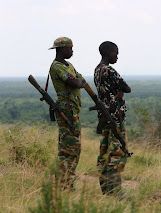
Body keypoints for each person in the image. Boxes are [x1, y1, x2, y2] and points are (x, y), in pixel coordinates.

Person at [49, 37, 86, 190]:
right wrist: (78, 81)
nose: (72, 51)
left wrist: (78, 80)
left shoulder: (68, 65)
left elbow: (80, 79)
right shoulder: (57, 66)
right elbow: (76, 82)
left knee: (74, 147)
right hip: (66, 111)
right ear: (62, 48)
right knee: (68, 147)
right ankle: (65, 184)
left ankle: (67, 182)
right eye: (70, 48)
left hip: (73, 110)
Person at [94, 41, 131, 195]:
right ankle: (115, 192)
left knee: (104, 153)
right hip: (114, 117)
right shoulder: (109, 70)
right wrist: (119, 92)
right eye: (116, 52)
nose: (117, 56)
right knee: (117, 154)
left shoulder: (97, 70)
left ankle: (106, 190)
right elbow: (127, 88)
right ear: (108, 52)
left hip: (104, 117)